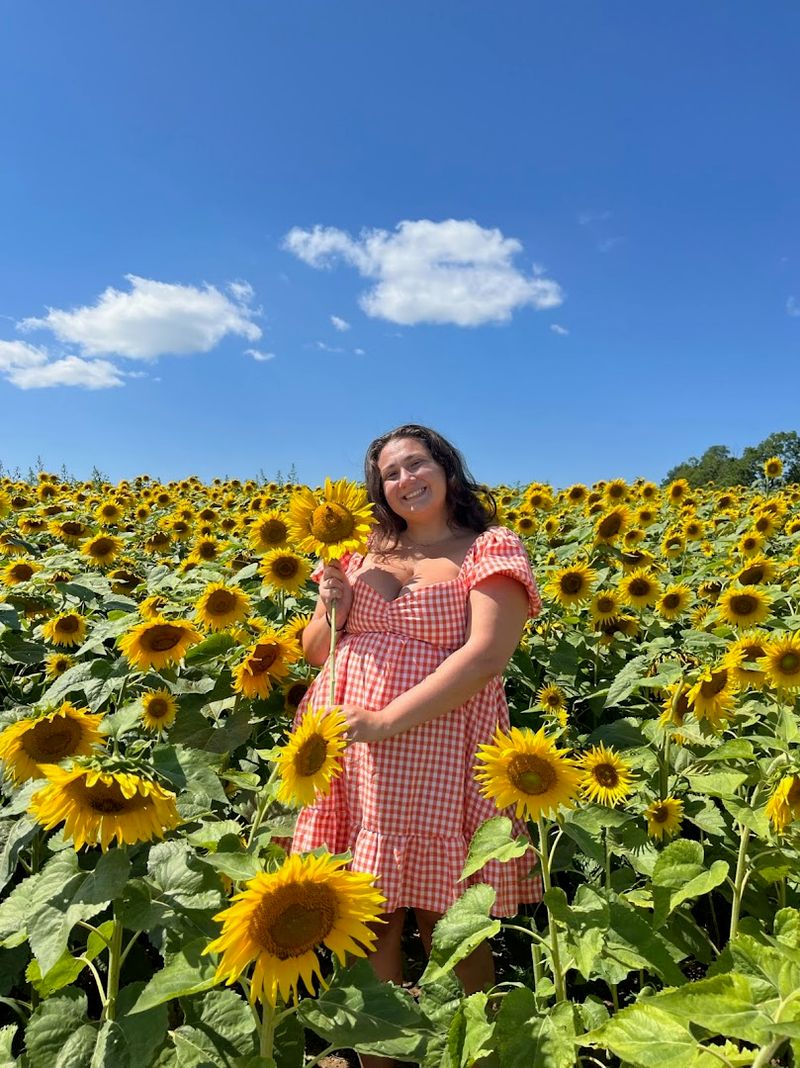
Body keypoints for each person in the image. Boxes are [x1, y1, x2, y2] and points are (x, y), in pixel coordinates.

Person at [292, 425, 542, 1065]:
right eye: (390, 474)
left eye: (416, 464)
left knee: (449, 920)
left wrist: (384, 721)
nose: (405, 480)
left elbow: (486, 656)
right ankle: (383, 1058)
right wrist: (330, 604)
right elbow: (317, 651)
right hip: (350, 748)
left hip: (438, 744)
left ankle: (474, 1052)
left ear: (446, 468)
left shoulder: (488, 547)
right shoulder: (361, 549)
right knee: (366, 913)